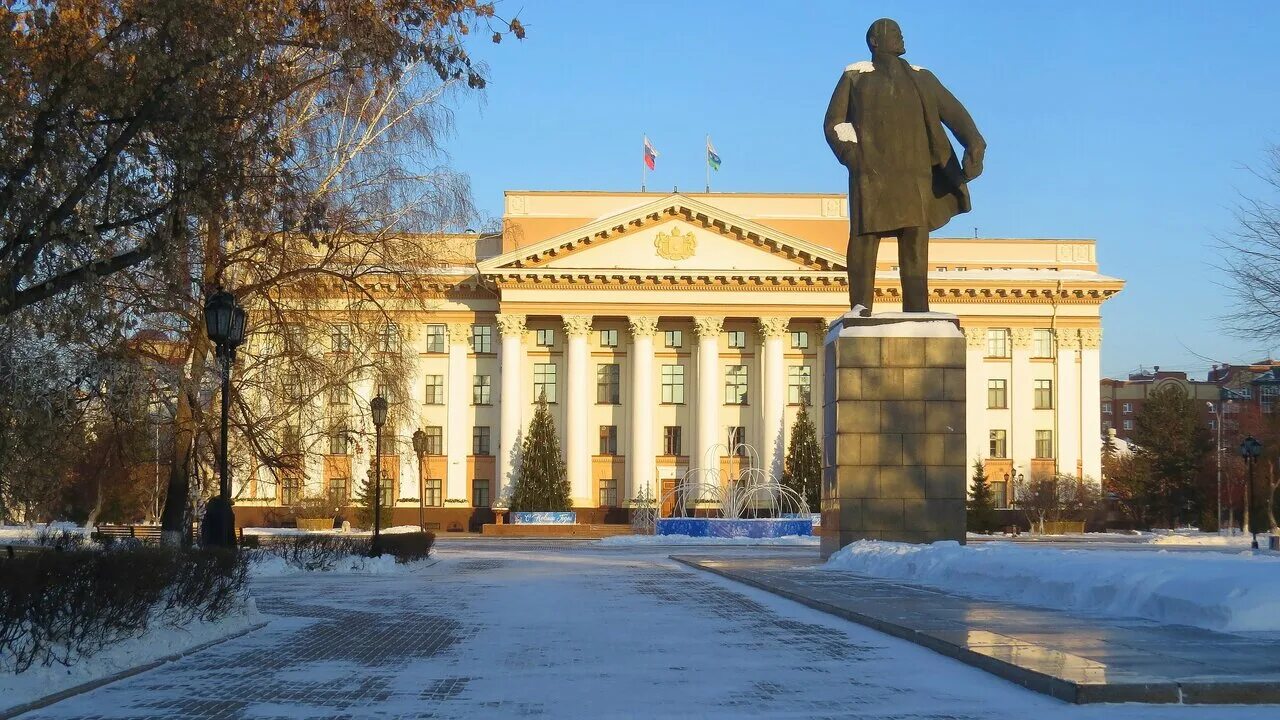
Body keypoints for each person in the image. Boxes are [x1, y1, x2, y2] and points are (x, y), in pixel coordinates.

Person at [823, 18, 986, 315]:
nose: (901, 37)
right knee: (864, 238)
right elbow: (835, 122)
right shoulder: (855, 76)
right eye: (894, 33)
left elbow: (953, 112)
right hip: (871, 174)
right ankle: (860, 307)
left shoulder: (921, 77)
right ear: (875, 41)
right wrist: (852, 156)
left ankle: (917, 310)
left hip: (916, 175)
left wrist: (973, 141)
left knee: (914, 243)